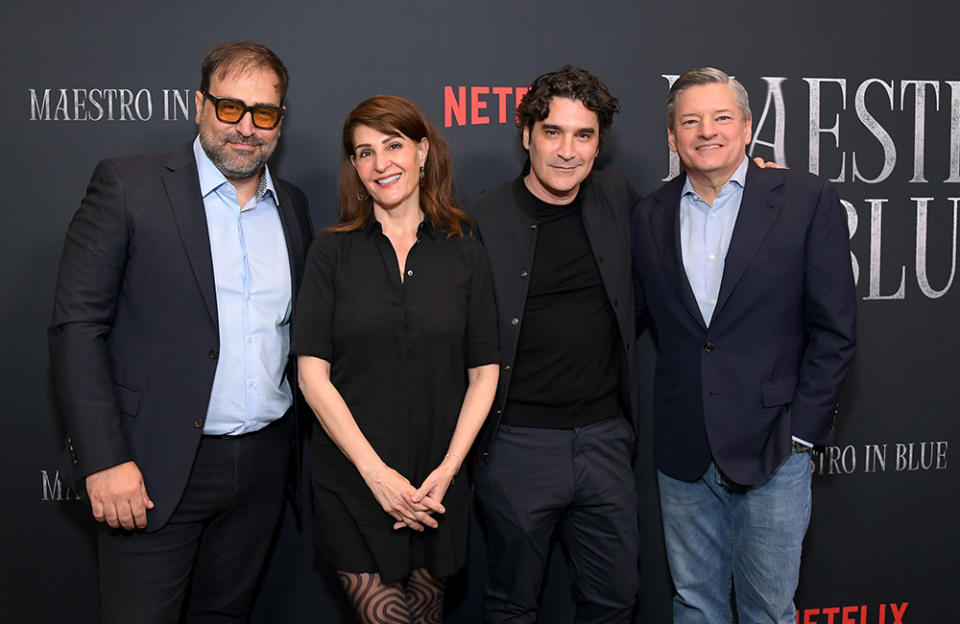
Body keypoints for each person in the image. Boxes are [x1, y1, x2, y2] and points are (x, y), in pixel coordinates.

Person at [48, 41, 313, 623]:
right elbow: (77, 328)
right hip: (153, 468)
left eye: (264, 113)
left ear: (280, 121)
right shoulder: (127, 185)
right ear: (199, 106)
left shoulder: (291, 207)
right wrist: (104, 460)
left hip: (264, 464)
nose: (246, 127)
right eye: (229, 108)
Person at [631, 67, 857, 624]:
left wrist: (801, 433)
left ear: (747, 127)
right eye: (690, 121)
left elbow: (835, 329)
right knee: (694, 606)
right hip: (684, 450)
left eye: (721, 117)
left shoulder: (805, 198)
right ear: (671, 136)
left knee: (769, 611)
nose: (706, 131)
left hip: (776, 445)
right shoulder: (649, 215)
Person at [292, 95, 499, 624]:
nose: (381, 163)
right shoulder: (330, 252)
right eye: (364, 153)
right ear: (355, 169)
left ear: (423, 151)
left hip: (435, 482)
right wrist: (375, 473)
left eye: (393, 145)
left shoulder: (464, 247)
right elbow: (312, 376)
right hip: (354, 479)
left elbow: (484, 372)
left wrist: (449, 471)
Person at [464, 66, 641, 623]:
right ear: (526, 134)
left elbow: (696, 216)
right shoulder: (479, 216)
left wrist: (756, 184)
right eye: (553, 132)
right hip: (516, 444)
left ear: (599, 144)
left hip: (605, 441)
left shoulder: (618, 198)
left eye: (583, 135)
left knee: (616, 600)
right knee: (513, 604)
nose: (568, 151)